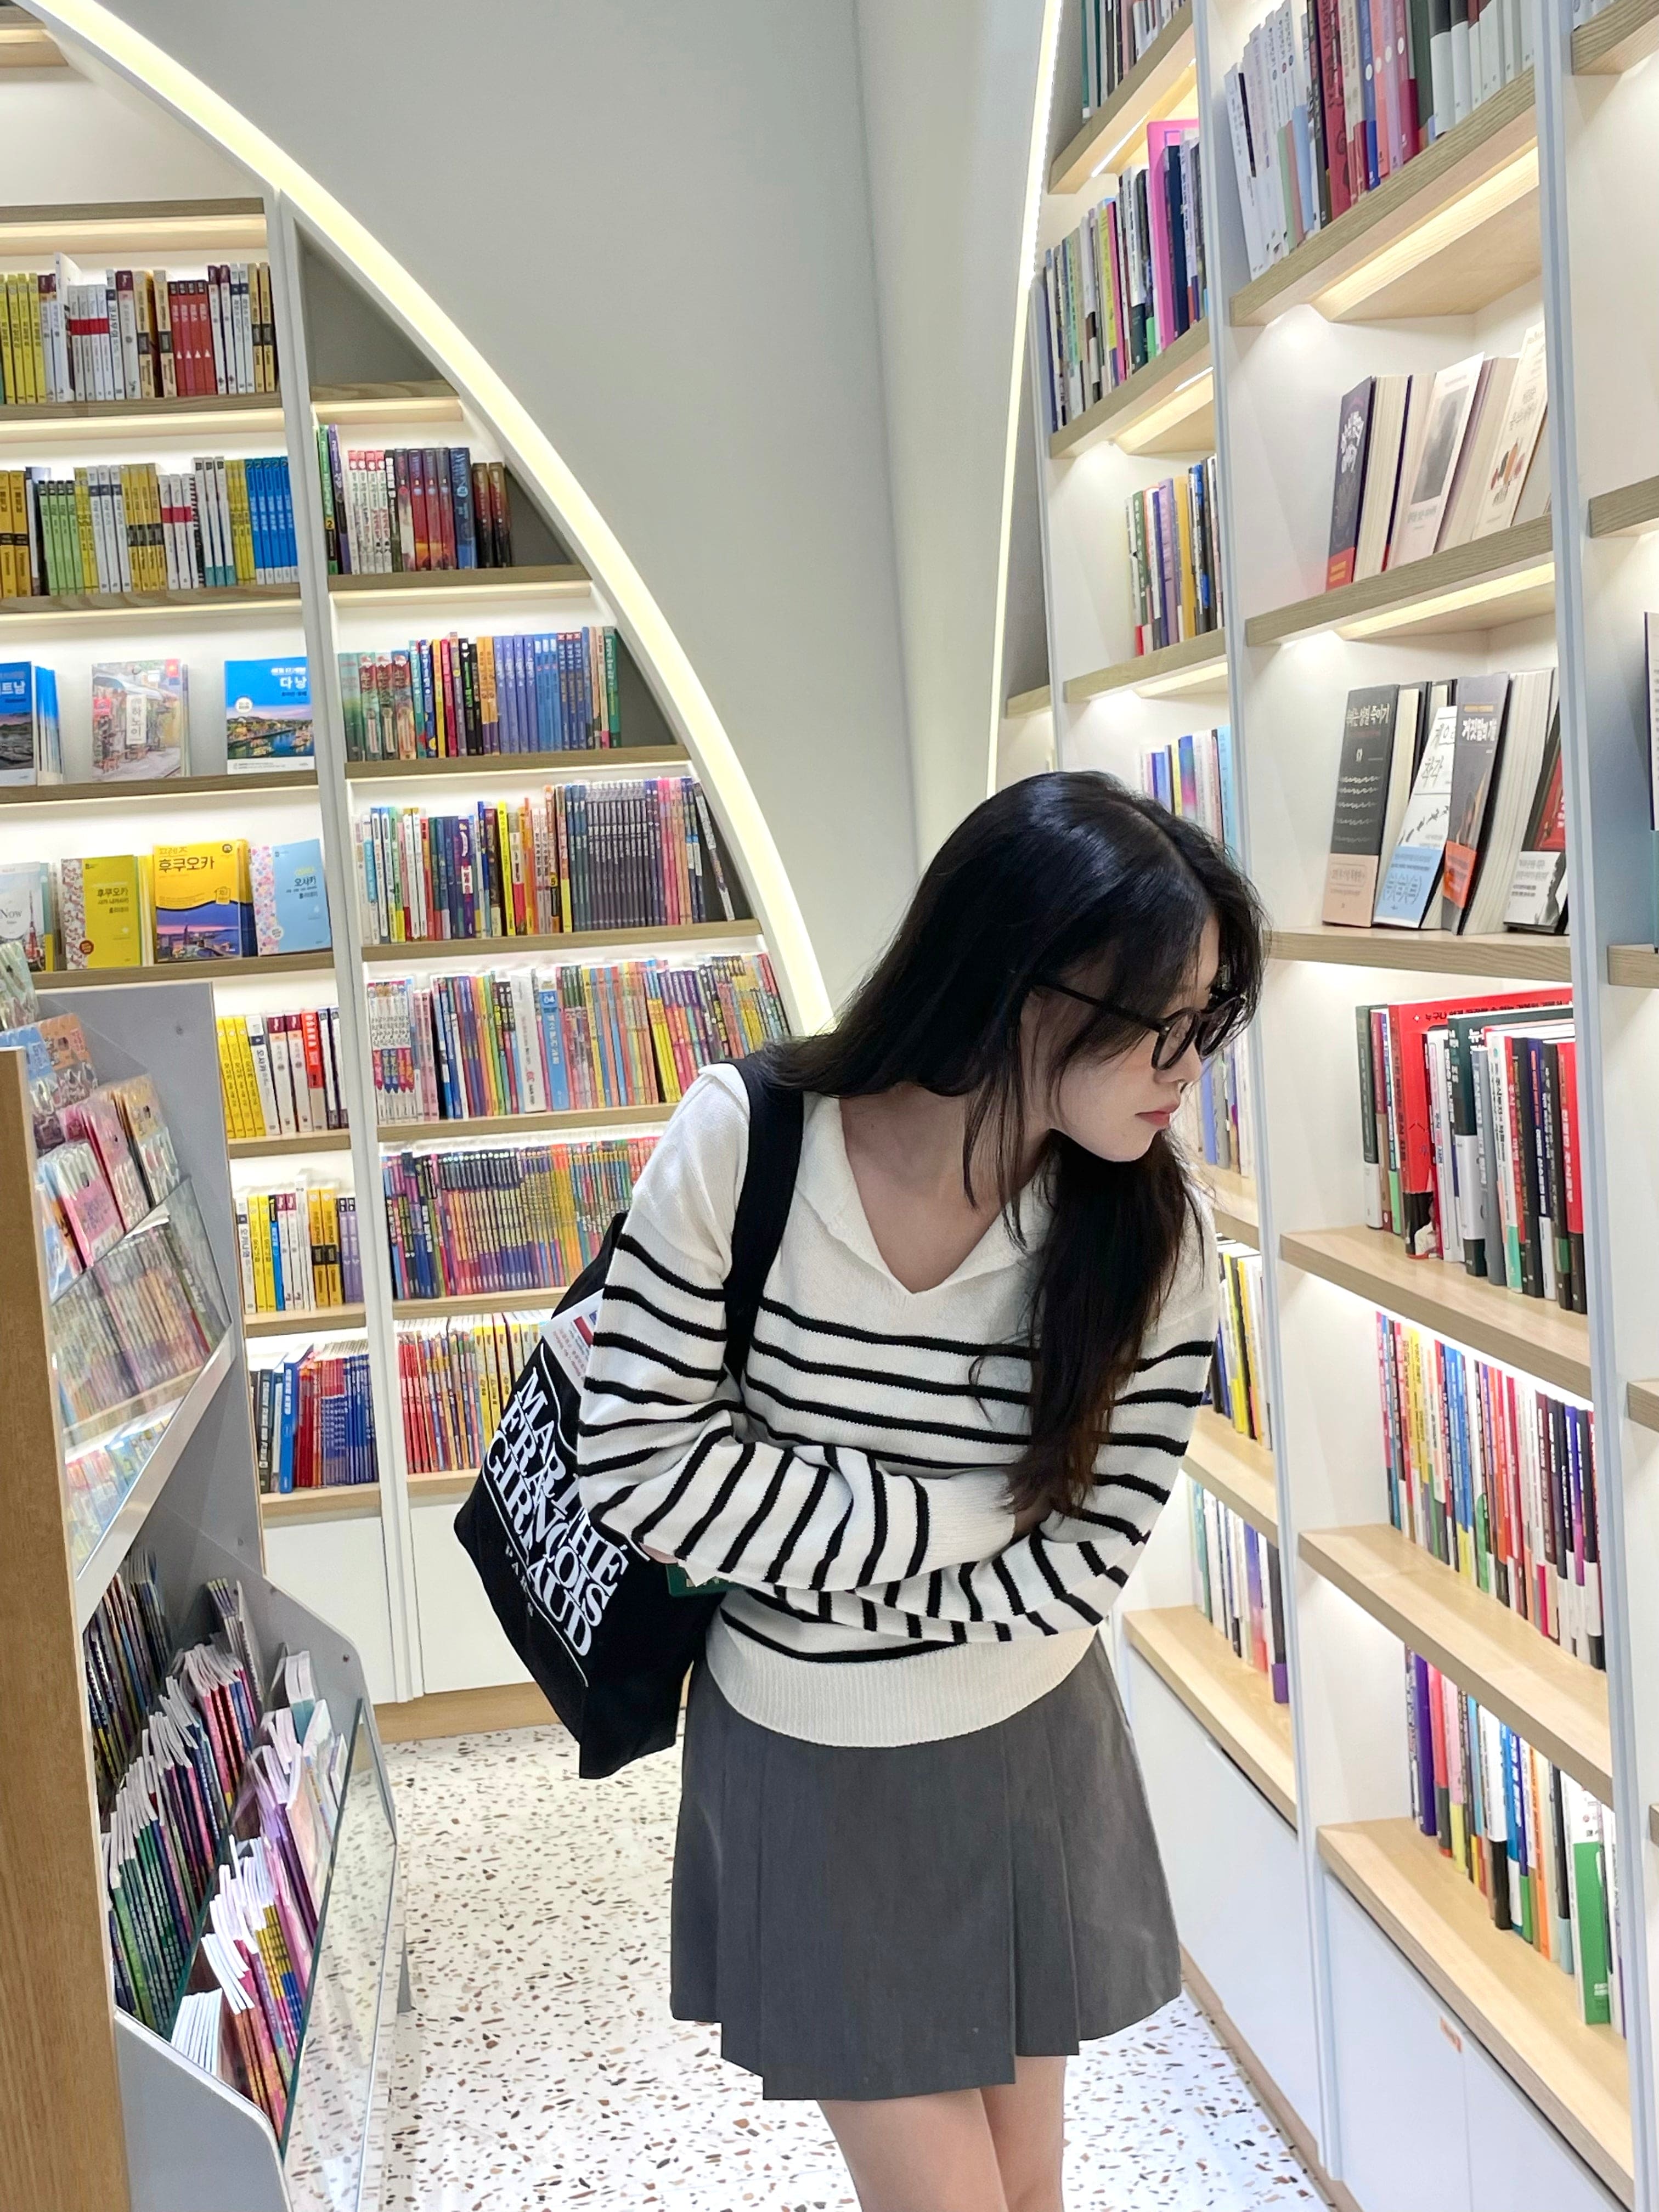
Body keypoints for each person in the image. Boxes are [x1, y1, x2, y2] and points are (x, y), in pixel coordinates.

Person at [575, 771, 1267, 2212]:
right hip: (808, 1756)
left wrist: (794, 1531)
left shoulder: (1149, 1235)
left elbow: (1083, 1567)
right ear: (1023, 986)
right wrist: (968, 1513)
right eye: (1161, 1023)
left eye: (1206, 1023)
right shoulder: (748, 1142)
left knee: (1028, 2189)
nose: (1187, 1070)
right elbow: (637, 1467)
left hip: (1029, 1735)